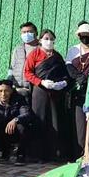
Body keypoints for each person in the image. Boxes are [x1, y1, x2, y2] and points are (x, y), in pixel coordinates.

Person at [24, 29, 71, 161]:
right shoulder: (34, 54)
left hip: (55, 93)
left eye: (51, 39)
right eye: (46, 38)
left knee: (55, 120)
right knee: (40, 120)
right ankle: (37, 154)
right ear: (40, 40)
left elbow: (65, 74)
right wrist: (41, 82)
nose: (49, 41)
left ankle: (54, 153)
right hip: (40, 92)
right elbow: (27, 73)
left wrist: (63, 83)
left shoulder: (57, 56)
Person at [66, 21, 89, 158]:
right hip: (77, 93)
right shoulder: (73, 50)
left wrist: (87, 78)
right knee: (79, 126)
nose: (86, 38)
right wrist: (78, 76)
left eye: (88, 35)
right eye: (83, 35)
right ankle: (79, 154)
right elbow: (68, 66)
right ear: (79, 36)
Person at [0, 79, 31, 165]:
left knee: (23, 126)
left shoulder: (20, 98)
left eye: (6, 91)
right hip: (1, 129)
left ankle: (20, 154)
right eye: (0, 91)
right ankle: (5, 153)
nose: (3, 94)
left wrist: (15, 120)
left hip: (15, 129)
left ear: (11, 90)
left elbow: (27, 114)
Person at [8, 22, 39, 100]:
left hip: (33, 90)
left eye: (29, 32)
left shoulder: (41, 49)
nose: (26, 34)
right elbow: (11, 68)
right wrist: (9, 84)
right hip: (17, 89)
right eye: (24, 32)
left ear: (36, 33)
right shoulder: (18, 49)